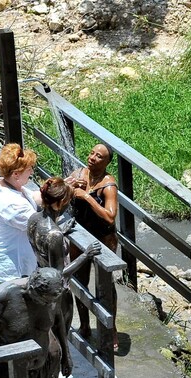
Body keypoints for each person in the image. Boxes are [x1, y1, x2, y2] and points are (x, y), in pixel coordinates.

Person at [27, 177, 103, 378]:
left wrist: (60, 229)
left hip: (36, 281)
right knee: (58, 342)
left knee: (44, 337)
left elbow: (45, 240)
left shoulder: (34, 220)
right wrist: (86, 255)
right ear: (59, 204)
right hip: (55, 293)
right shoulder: (54, 235)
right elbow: (59, 276)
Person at [66, 144, 119, 350]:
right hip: (79, 236)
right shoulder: (79, 173)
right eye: (92, 153)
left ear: (106, 163)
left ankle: (111, 328)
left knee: (105, 284)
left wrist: (86, 196)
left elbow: (110, 215)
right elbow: (59, 192)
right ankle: (85, 325)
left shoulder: (108, 185)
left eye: (99, 156)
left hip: (103, 238)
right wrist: (70, 186)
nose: (93, 158)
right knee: (79, 280)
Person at [0, 143, 42, 289]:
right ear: (16, 174)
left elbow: (34, 196)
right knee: (10, 308)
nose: (32, 171)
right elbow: (41, 226)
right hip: (8, 267)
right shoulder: (13, 205)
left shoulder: (2, 184)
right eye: (29, 169)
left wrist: (60, 187)